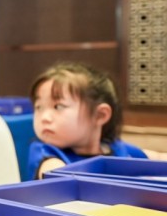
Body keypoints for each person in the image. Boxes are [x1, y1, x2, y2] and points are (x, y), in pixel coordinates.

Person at [28, 61, 167, 179]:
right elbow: (59, 180)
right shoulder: (46, 153)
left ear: (100, 115)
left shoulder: (115, 148)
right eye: (39, 107)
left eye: (58, 107)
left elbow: (158, 159)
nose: (44, 118)